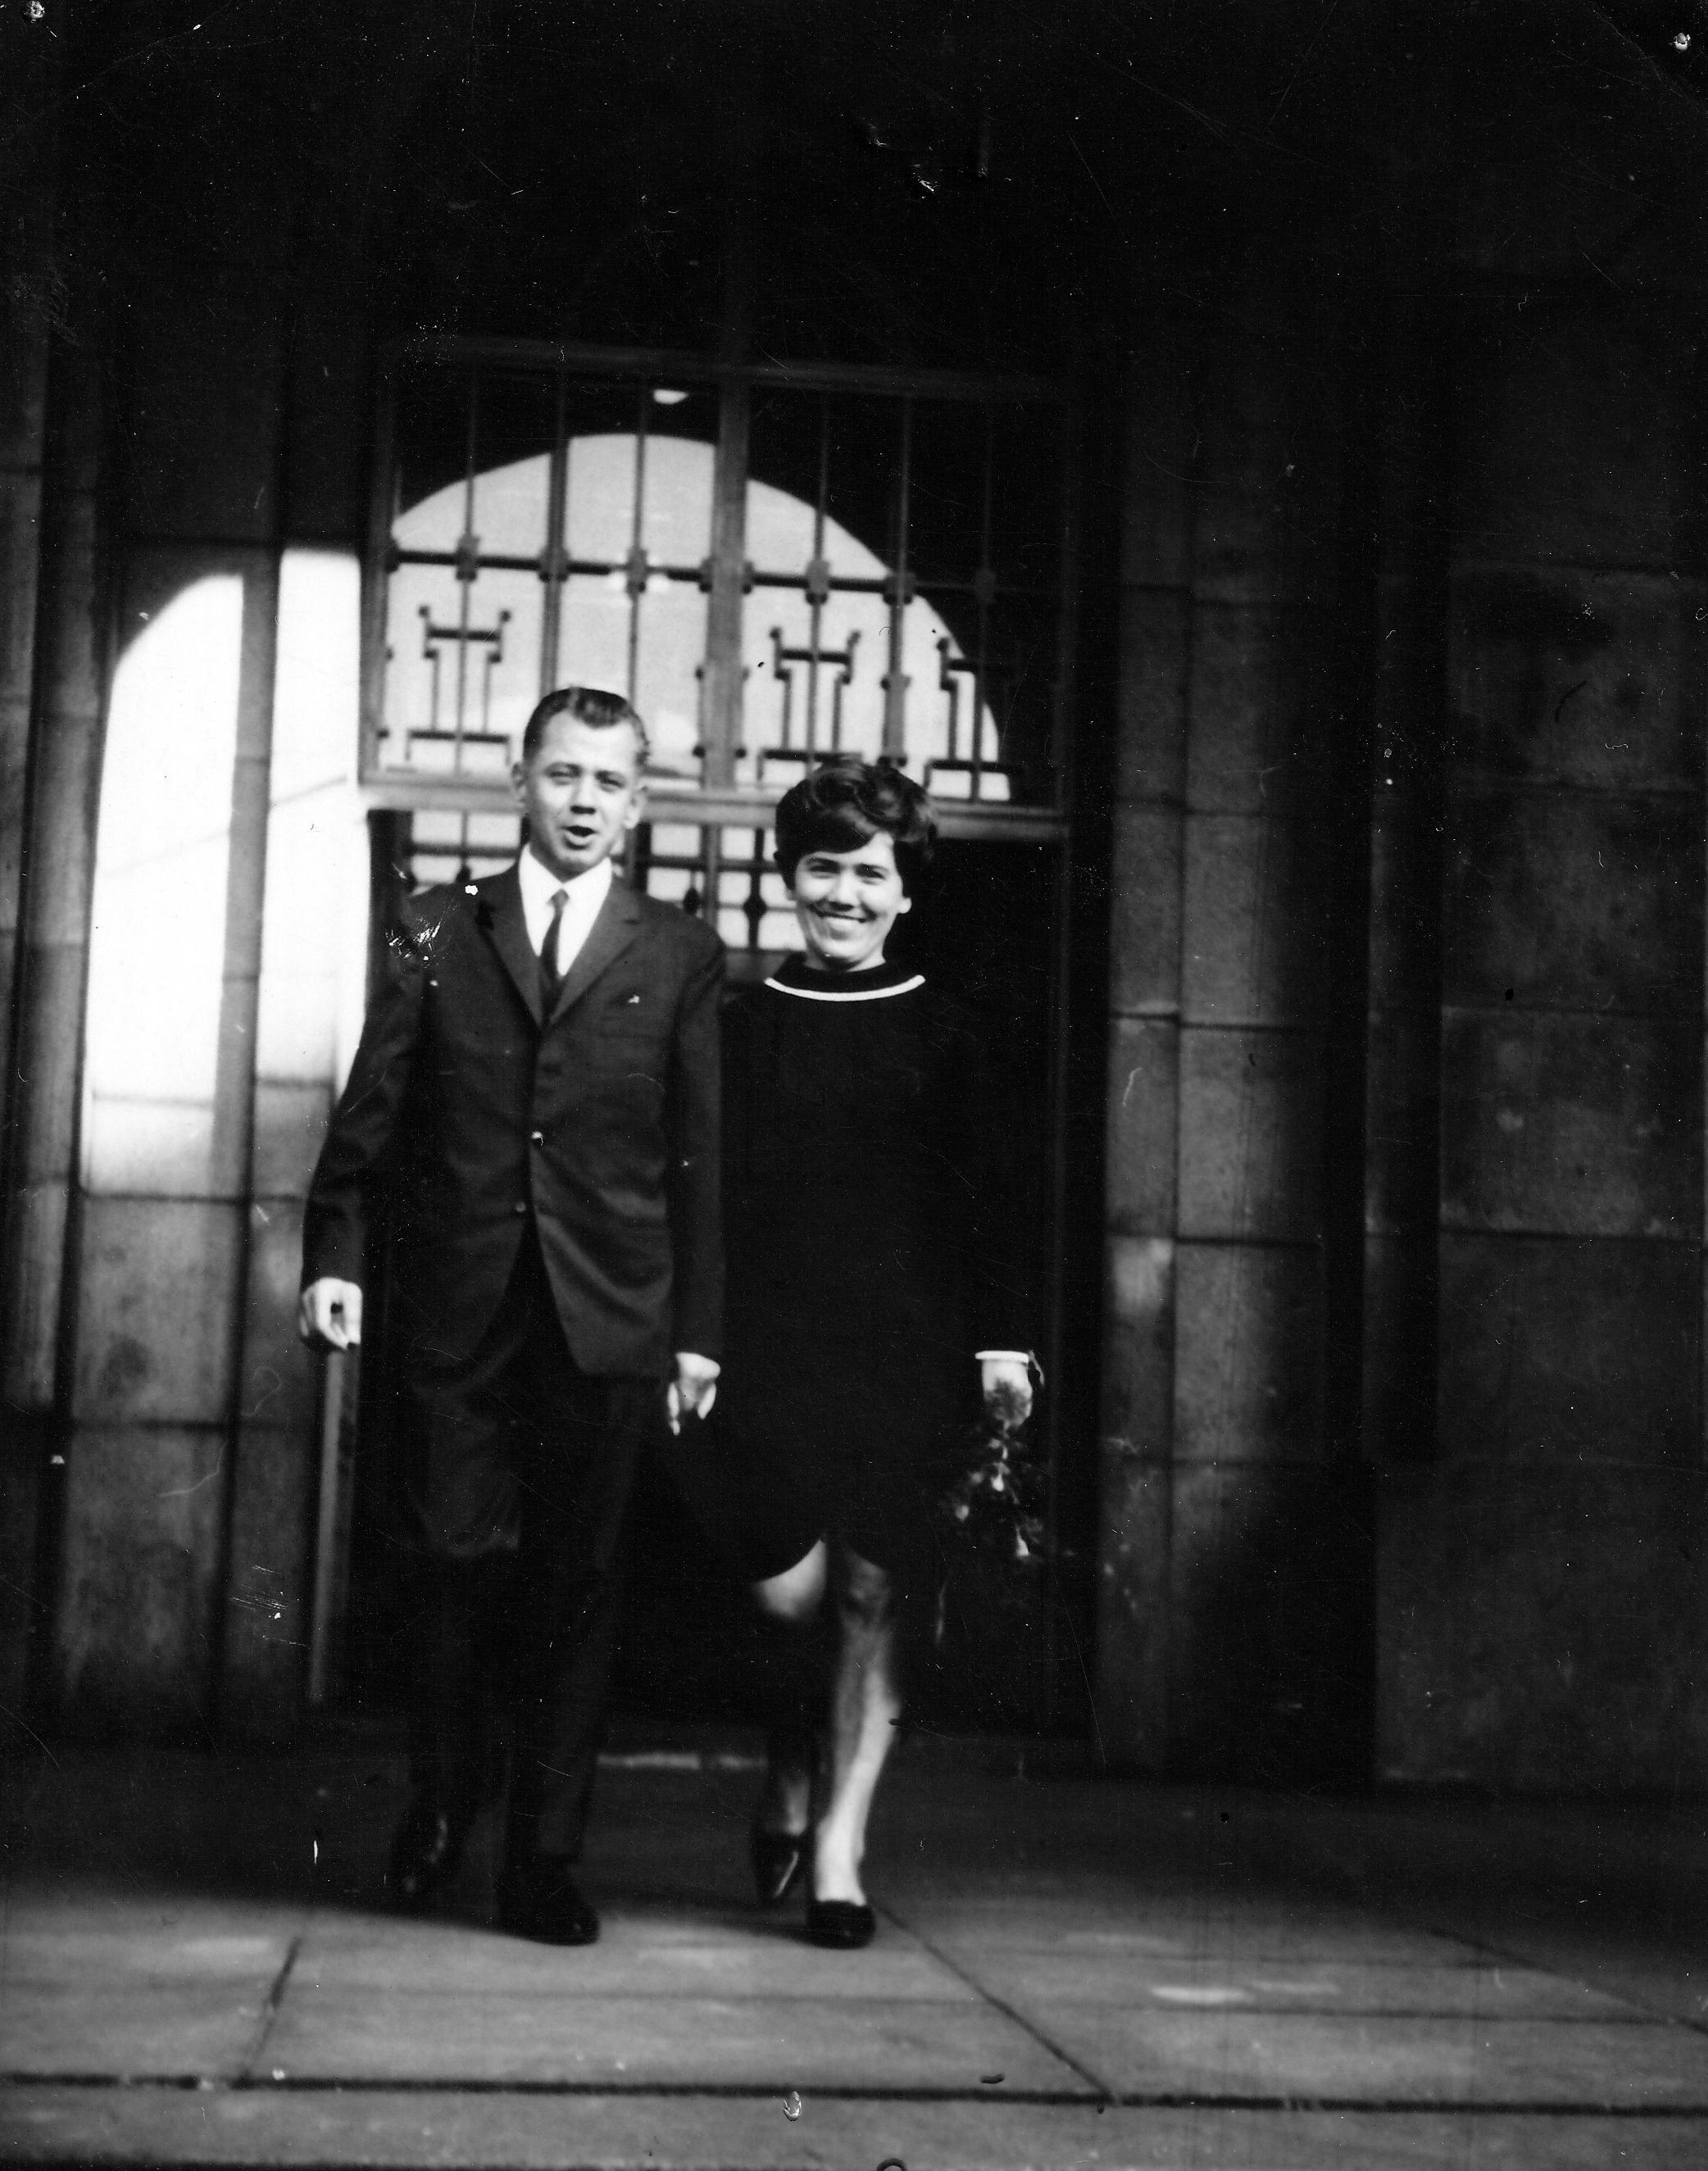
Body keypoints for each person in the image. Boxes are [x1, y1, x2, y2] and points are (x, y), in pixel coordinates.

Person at [298, 685, 723, 1946]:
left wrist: (699, 1329)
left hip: (608, 1314)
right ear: (519, 781)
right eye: (564, 774)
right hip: (457, 1307)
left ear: (638, 803)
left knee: (574, 1588)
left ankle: (541, 1858)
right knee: (447, 1561)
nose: (585, 800)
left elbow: (700, 1157)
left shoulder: (679, 950)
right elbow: (372, 1107)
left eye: (610, 781)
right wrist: (337, 1252)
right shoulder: (436, 925)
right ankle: (442, 1797)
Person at [720, 756, 1033, 1950]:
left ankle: (840, 1845)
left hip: (913, 1351)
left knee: (872, 1591)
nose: (843, 894)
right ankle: (793, 1751)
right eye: (823, 868)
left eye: (868, 873)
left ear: (904, 890)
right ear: (787, 876)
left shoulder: (952, 1028)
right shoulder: (743, 1023)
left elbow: (996, 1204)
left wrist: (1003, 1347)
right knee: (788, 1595)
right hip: (771, 1348)